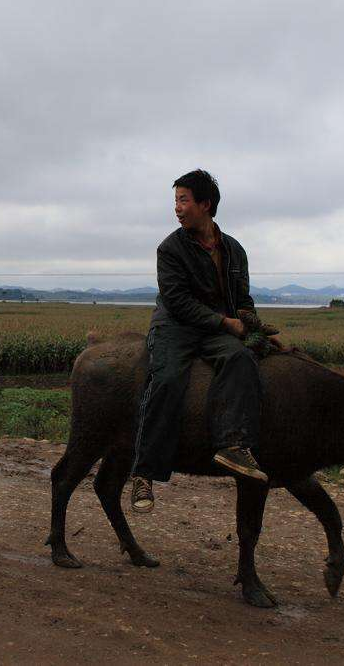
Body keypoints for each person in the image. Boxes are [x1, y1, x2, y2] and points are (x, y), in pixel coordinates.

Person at [131, 169, 267, 513]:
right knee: (166, 379)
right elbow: (178, 302)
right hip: (174, 327)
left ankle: (233, 445)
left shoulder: (234, 250)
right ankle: (144, 473)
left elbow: (242, 297)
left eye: (183, 200)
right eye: (175, 200)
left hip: (215, 330)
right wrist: (225, 321)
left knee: (241, 360)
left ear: (205, 204)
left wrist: (251, 322)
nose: (177, 208)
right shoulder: (170, 249)